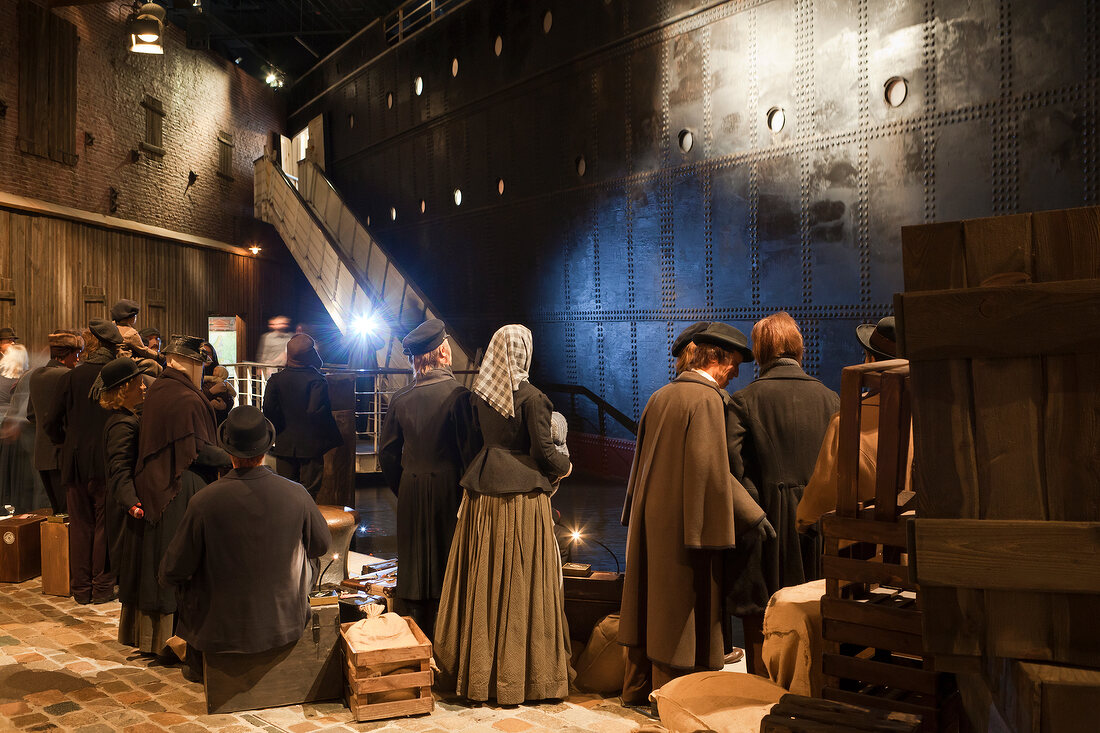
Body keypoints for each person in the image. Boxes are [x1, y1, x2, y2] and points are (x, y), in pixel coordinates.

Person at [619, 321, 769, 704]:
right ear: (715, 357)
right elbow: (712, 472)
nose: (736, 372)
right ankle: (678, 696)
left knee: (651, 604)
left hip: (653, 519)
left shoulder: (660, 396)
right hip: (688, 525)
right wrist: (753, 515)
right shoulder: (709, 401)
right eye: (733, 362)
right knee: (682, 607)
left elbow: (642, 466)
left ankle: (639, 688)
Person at [435, 324, 573, 705]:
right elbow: (545, 453)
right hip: (522, 502)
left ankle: (480, 673)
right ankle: (525, 677)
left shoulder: (482, 397)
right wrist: (566, 465)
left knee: (485, 580)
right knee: (522, 581)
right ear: (523, 353)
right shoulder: (533, 398)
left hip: (484, 496)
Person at [161, 405, 331, 680]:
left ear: (229, 451)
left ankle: (196, 656)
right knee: (309, 556)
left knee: (190, 569)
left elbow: (172, 570)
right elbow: (321, 546)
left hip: (219, 630)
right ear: (265, 448)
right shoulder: (297, 494)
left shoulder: (204, 501)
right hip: (284, 625)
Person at [726, 311, 840, 675]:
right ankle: (811, 686)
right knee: (814, 605)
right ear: (797, 347)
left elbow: (732, 468)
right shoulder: (830, 398)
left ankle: (764, 691)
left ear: (760, 351)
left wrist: (754, 510)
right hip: (818, 520)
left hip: (767, 523)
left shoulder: (744, 400)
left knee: (763, 610)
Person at [378, 319, 471, 639]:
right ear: (444, 352)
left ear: (414, 360)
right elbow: (469, 452)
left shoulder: (400, 399)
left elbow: (387, 454)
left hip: (411, 488)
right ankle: (448, 642)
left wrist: (405, 485)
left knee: (414, 564)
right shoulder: (460, 396)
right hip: (450, 488)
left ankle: (414, 640)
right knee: (449, 563)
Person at [796, 317, 912, 530]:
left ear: (870, 361)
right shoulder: (932, 420)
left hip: (867, 549)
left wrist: (802, 519)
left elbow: (817, 504)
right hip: (924, 552)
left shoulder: (847, 422)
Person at [45, 319, 124, 604]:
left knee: (80, 525)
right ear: (112, 346)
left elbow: (51, 422)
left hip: (75, 463)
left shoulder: (71, 377)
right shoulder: (120, 376)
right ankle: (102, 587)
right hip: (109, 461)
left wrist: (65, 444)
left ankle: (81, 589)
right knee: (105, 525)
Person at [133, 335, 218, 526]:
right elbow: (196, 448)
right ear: (192, 364)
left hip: (155, 482)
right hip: (177, 487)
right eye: (201, 364)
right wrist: (231, 457)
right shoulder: (186, 397)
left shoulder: (161, 386)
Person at [262, 333, 342, 498]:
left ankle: (289, 522)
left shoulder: (275, 380)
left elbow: (268, 410)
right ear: (310, 354)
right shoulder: (317, 380)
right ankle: (306, 523)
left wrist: (280, 430)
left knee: (285, 491)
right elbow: (316, 413)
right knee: (309, 493)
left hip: (284, 444)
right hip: (311, 447)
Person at [27, 330, 84, 514]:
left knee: (56, 514)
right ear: (66, 353)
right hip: (63, 455)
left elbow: (30, 415)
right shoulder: (67, 377)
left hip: (42, 455)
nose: (78, 358)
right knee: (71, 515)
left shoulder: (35, 375)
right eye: (76, 353)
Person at [0, 344, 48, 512]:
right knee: (39, 480)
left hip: (18, 430)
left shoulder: (26, 376)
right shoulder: (34, 376)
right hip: (29, 430)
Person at [200, 342, 235, 425]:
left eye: (209, 354)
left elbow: (230, 396)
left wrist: (225, 406)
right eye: (204, 353)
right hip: (203, 418)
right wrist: (210, 392)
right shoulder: (195, 374)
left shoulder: (218, 371)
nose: (207, 356)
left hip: (219, 419)